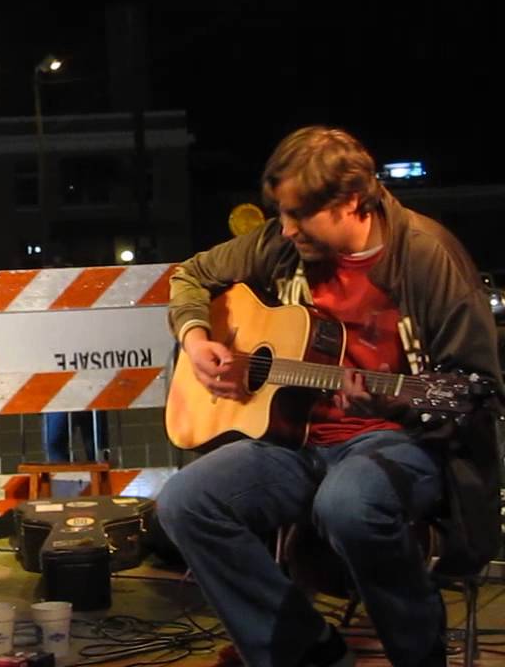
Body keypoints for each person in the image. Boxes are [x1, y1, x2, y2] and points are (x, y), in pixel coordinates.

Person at [155, 126, 502, 667]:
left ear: (353, 202)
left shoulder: (427, 257)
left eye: (300, 215)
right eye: (282, 213)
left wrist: (390, 403)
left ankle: (419, 653)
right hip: (296, 441)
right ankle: (306, 652)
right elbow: (192, 275)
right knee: (185, 502)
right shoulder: (282, 244)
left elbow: (476, 387)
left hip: (404, 443)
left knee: (348, 504)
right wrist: (196, 339)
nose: (286, 228)